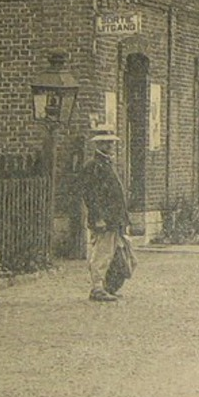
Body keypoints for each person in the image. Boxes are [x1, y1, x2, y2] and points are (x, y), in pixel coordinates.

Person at [77, 127, 130, 303]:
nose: (110, 146)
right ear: (98, 144)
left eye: (111, 142)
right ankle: (97, 288)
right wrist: (98, 217)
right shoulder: (93, 166)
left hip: (115, 218)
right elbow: (91, 195)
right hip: (105, 219)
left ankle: (108, 286)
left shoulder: (108, 164)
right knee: (102, 253)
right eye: (106, 143)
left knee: (116, 253)